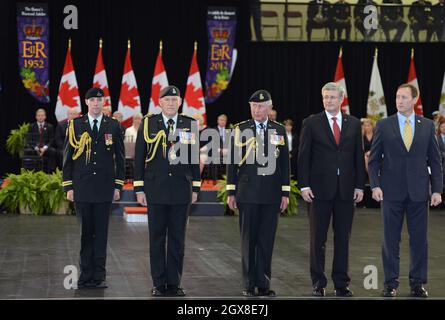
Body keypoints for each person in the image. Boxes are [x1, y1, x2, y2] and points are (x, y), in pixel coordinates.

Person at [368, 83, 442, 298]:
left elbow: (436, 161)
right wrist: (375, 185)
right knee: (390, 239)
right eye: (397, 97)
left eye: (404, 97)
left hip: (420, 192)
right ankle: (390, 283)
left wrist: (437, 189)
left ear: (415, 100)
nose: (399, 101)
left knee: (420, 240)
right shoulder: (383, 124)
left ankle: (417, 283)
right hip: (391, 192)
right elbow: (373, 161)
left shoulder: (428, 126)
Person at [298, 82, 365, 297]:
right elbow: (303, 157)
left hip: (346, 191)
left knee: (343, 239)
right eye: (325, 97)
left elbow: (358, 157)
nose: (328, 100)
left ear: (341, 99)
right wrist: (304, 185)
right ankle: (318, 282)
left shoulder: (354, 124)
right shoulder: (311, 123)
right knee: (318, 239)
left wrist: (359, 186)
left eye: (333, 97)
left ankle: (341, 283)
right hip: (318, 191)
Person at [133, 85, 201, 297]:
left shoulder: (190, 124)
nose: (171, 103)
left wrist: (196, 186)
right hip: (156, 189)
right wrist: (139, 187)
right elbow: (139, 157)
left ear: (180, 102)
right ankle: (159, 282)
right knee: (157, 237)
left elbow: (193, 157)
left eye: (174, 100)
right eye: (167, 100)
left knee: (178, 238)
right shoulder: (148, 123)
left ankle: (174, 282)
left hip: (181, 188)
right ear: (159, 102)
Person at [227, 90, 290, 297]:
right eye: (254, 106)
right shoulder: (240, 129)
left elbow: (284, 164)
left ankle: (263, 283)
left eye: (261, 106)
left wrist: (285, 192)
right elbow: (232, 163)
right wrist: (231, 191)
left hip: (271, 194)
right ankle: (248, 284)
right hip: (247, 193)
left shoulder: (278, 130)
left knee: (266, 240)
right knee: (248, 240)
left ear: (269, 108)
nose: (257, 109)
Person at [62, 88, 125, 289]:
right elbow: (67, 159)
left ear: (104, 102)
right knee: (85, 233)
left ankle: (99, 276)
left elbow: (121, 159)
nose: (97, 104)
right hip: (82, 187)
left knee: (101, 233)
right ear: (86, 102)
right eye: (93, 100)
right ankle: (85, 275)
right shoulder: (75, 125)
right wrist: (68, 186)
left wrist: (118, 185)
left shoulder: (113, 125)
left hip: (105, 187)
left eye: (100, 100)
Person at [26, 108, 56, 173]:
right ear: (36, 117)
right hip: (35, 148)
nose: (40, 117)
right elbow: (29, 140)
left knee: (53, 151)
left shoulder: (49, 126)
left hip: (45, 148)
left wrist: (44, 148)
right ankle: (31, 171)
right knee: (28, 151)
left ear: (45, 117)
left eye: (42, 115)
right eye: (39, 115)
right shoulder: (31, 126)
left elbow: (51, 140)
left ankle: (51, 171)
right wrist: (36, 148)